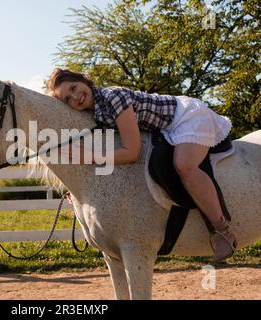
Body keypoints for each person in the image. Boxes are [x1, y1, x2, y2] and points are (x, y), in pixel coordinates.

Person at [47, 68, 237, 262]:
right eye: (68, 99)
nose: (75, 96)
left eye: (73, 87)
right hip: (164, 129)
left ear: (84, 81)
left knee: (184, 166)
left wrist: (89, 157)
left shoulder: (113, 97)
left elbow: (132, 152)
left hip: (185, 116)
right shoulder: (95, 112)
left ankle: (222, 231)